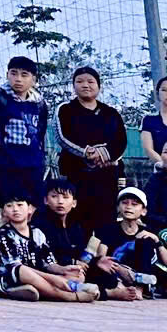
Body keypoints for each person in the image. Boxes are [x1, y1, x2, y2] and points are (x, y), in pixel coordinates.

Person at [56, 67, 127, 239]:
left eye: (90, 81)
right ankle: (79, 255)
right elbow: (62, 137)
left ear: (99, 86)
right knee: (78, 222)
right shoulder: (65, 109)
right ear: (73, 85)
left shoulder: (111, 113)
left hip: (107, 176)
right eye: (79, 81)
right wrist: (87, 153)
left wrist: (105, 153)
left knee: (107, 224)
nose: (85, 85)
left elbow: (121, 141)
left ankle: (106, 254)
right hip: (76, 175)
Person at [0, 194, 90, 302]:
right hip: (9, 279)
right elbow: (14, 267)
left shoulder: (37, 232)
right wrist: (54, 279)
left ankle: (38, 290)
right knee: (21, 270)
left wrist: (64, 269)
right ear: (4, 212)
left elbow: (49, 263)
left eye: (20, 205)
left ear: (30, 209)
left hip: (38, 277)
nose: (15, 209)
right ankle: (66, 296)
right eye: (9, 206)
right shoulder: (4, 233)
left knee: (77, 276)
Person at [0, 55, 50, 207]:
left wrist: (40, 158)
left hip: (33, 165)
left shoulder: (39, 104)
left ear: (33, 79)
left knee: (36, 208)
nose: (18, 79)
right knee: (11, 207)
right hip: (6, 165)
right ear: (7, 75)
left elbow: (41, 132)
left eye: (24, 75)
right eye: (14, 73)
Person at [93, 188, 162, 301]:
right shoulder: (109, 229)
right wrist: (120, 270)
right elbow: (102, 258)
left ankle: (140, 289)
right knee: (101, 269)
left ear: (143, 211)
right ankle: (120, 288)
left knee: (146, 241)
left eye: (134, 204)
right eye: (124, 203)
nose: (128, 207)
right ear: (118, 208)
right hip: (115, 272)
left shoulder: (148, 231)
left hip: (139, 274)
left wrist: (157, 240)